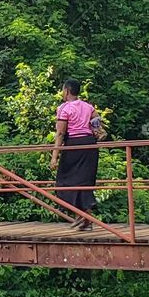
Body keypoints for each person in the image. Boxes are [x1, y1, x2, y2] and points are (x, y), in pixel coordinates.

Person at [49, 79, 103, 230]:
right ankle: (85, 218)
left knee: (64, 182)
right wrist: (97, 131)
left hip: (74, 145)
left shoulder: (64, 108)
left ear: (66, 91)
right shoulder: (88, 106)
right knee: (84, 182)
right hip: (90, 145)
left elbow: (60, 133)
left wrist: (54, 156)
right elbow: (97, 120)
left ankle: (82, 216)